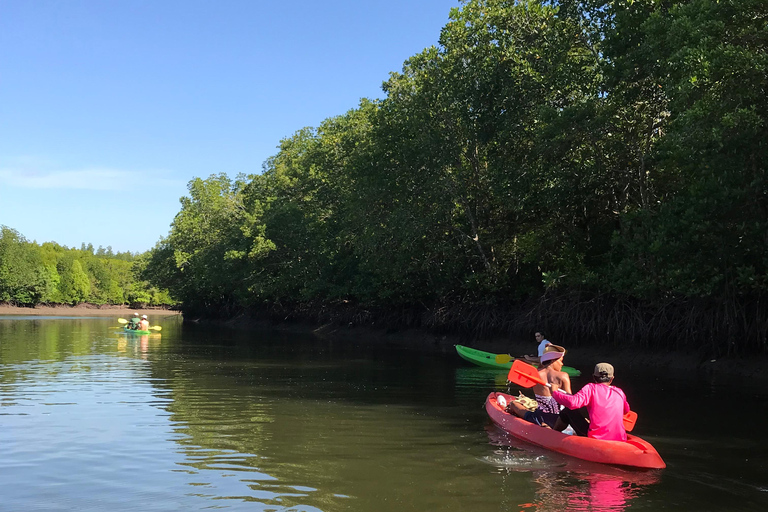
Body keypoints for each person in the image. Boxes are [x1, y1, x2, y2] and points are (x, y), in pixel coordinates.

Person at [551, 362, 630, 441]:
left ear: (594, 377)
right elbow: (626, 411)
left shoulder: (591, 388)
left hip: (596, 437)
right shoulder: (620, 392)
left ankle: (552, 435)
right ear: (612, 378)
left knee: (567, 411)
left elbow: (573, 403)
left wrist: (555, 392)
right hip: (620, 438)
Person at [505, 345, 573, 429]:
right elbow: (570, 402)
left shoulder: (536, 375)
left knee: (513, 404)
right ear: (553, 360)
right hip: (560, 420)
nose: (562, 364)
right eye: (561, 361)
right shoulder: (563, 376)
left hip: (538, 418)